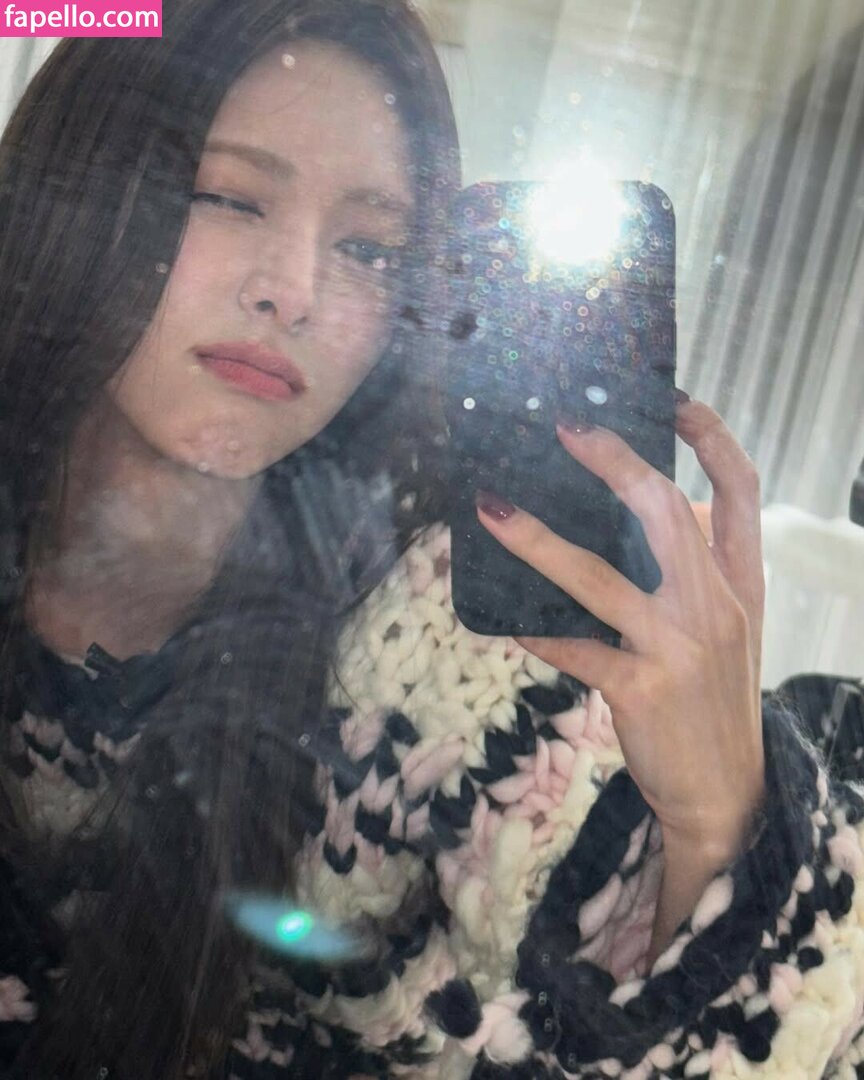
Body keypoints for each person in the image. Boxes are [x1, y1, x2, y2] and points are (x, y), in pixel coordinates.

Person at [0, 1, 862, 1078]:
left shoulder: (444, 639)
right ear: (76, 185)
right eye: (227, 196)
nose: (295, 292)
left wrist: (719, 818)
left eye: (369, 248)